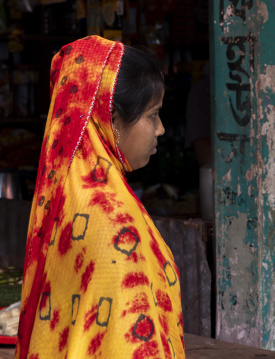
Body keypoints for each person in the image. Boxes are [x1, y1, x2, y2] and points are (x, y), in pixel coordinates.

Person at [16, 36, 185, 358]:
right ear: (111, 120)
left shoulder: (67, 199)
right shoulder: (112, 222)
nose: (161, 129)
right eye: (152, 115)